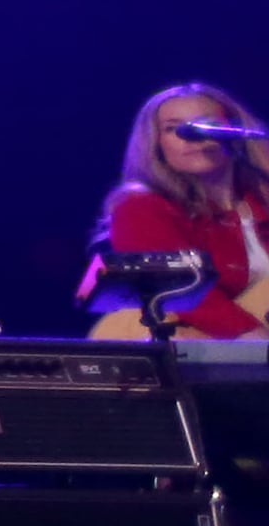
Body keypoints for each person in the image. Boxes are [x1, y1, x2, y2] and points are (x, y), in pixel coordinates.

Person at [89, 82, 269, 337]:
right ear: (157, 145)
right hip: (183, 343)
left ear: (235, 134)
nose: (191, 136)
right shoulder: (141, 207)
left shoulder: (261, 199)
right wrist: (251, 336)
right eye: (174, 129)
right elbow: (178, 287)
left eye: (206, 124)